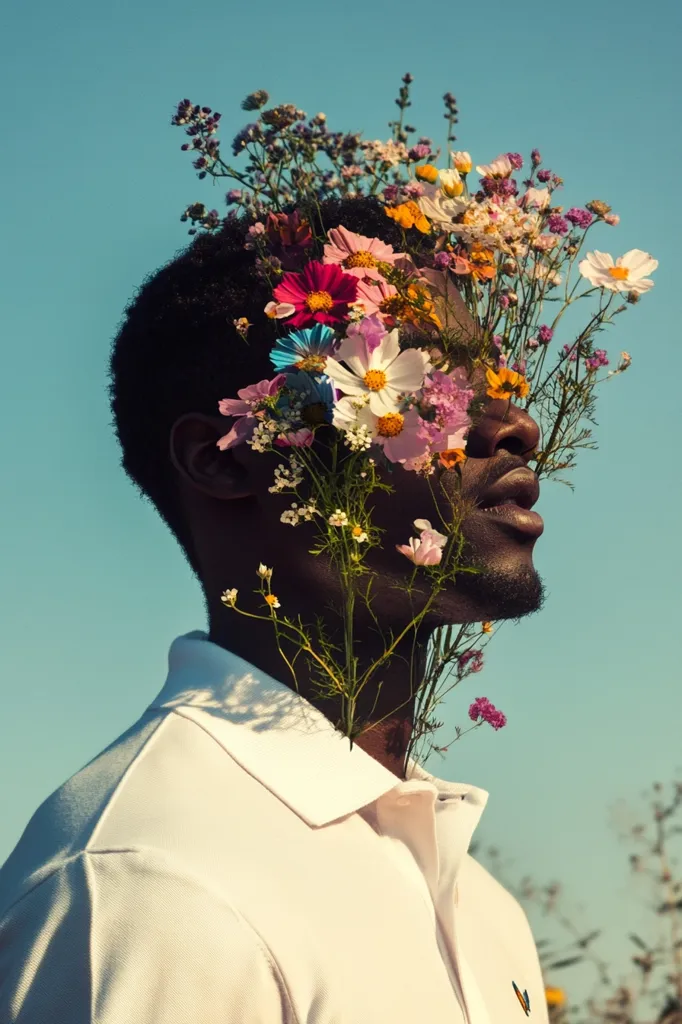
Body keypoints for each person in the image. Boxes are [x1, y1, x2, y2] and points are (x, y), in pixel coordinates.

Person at [0, 196, 550, 1023]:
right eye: (423, 376)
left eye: (493, 375)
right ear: (222, 460)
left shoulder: (480, 906)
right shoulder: (151, 887)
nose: (514, 425)